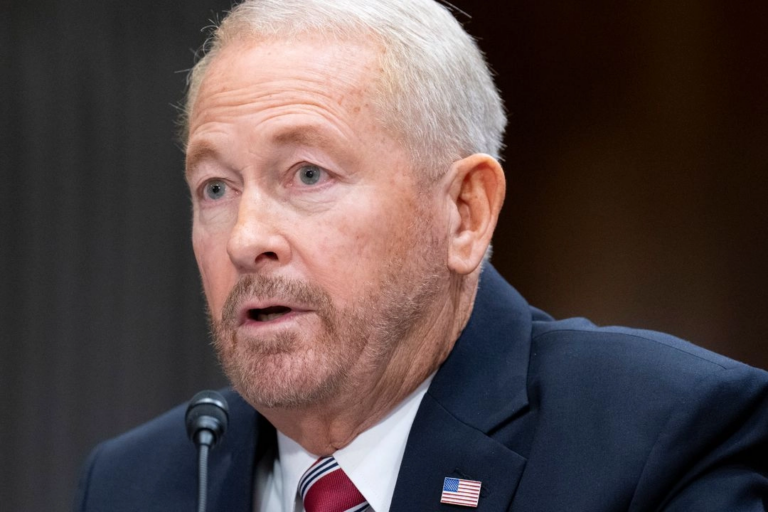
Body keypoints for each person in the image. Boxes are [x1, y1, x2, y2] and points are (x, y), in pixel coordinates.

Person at [74, 0, 768, 510]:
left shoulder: (663, 437)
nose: (246, 237)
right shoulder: (135, 483)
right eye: (216, 186)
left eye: (308, 174)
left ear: (465, 213)